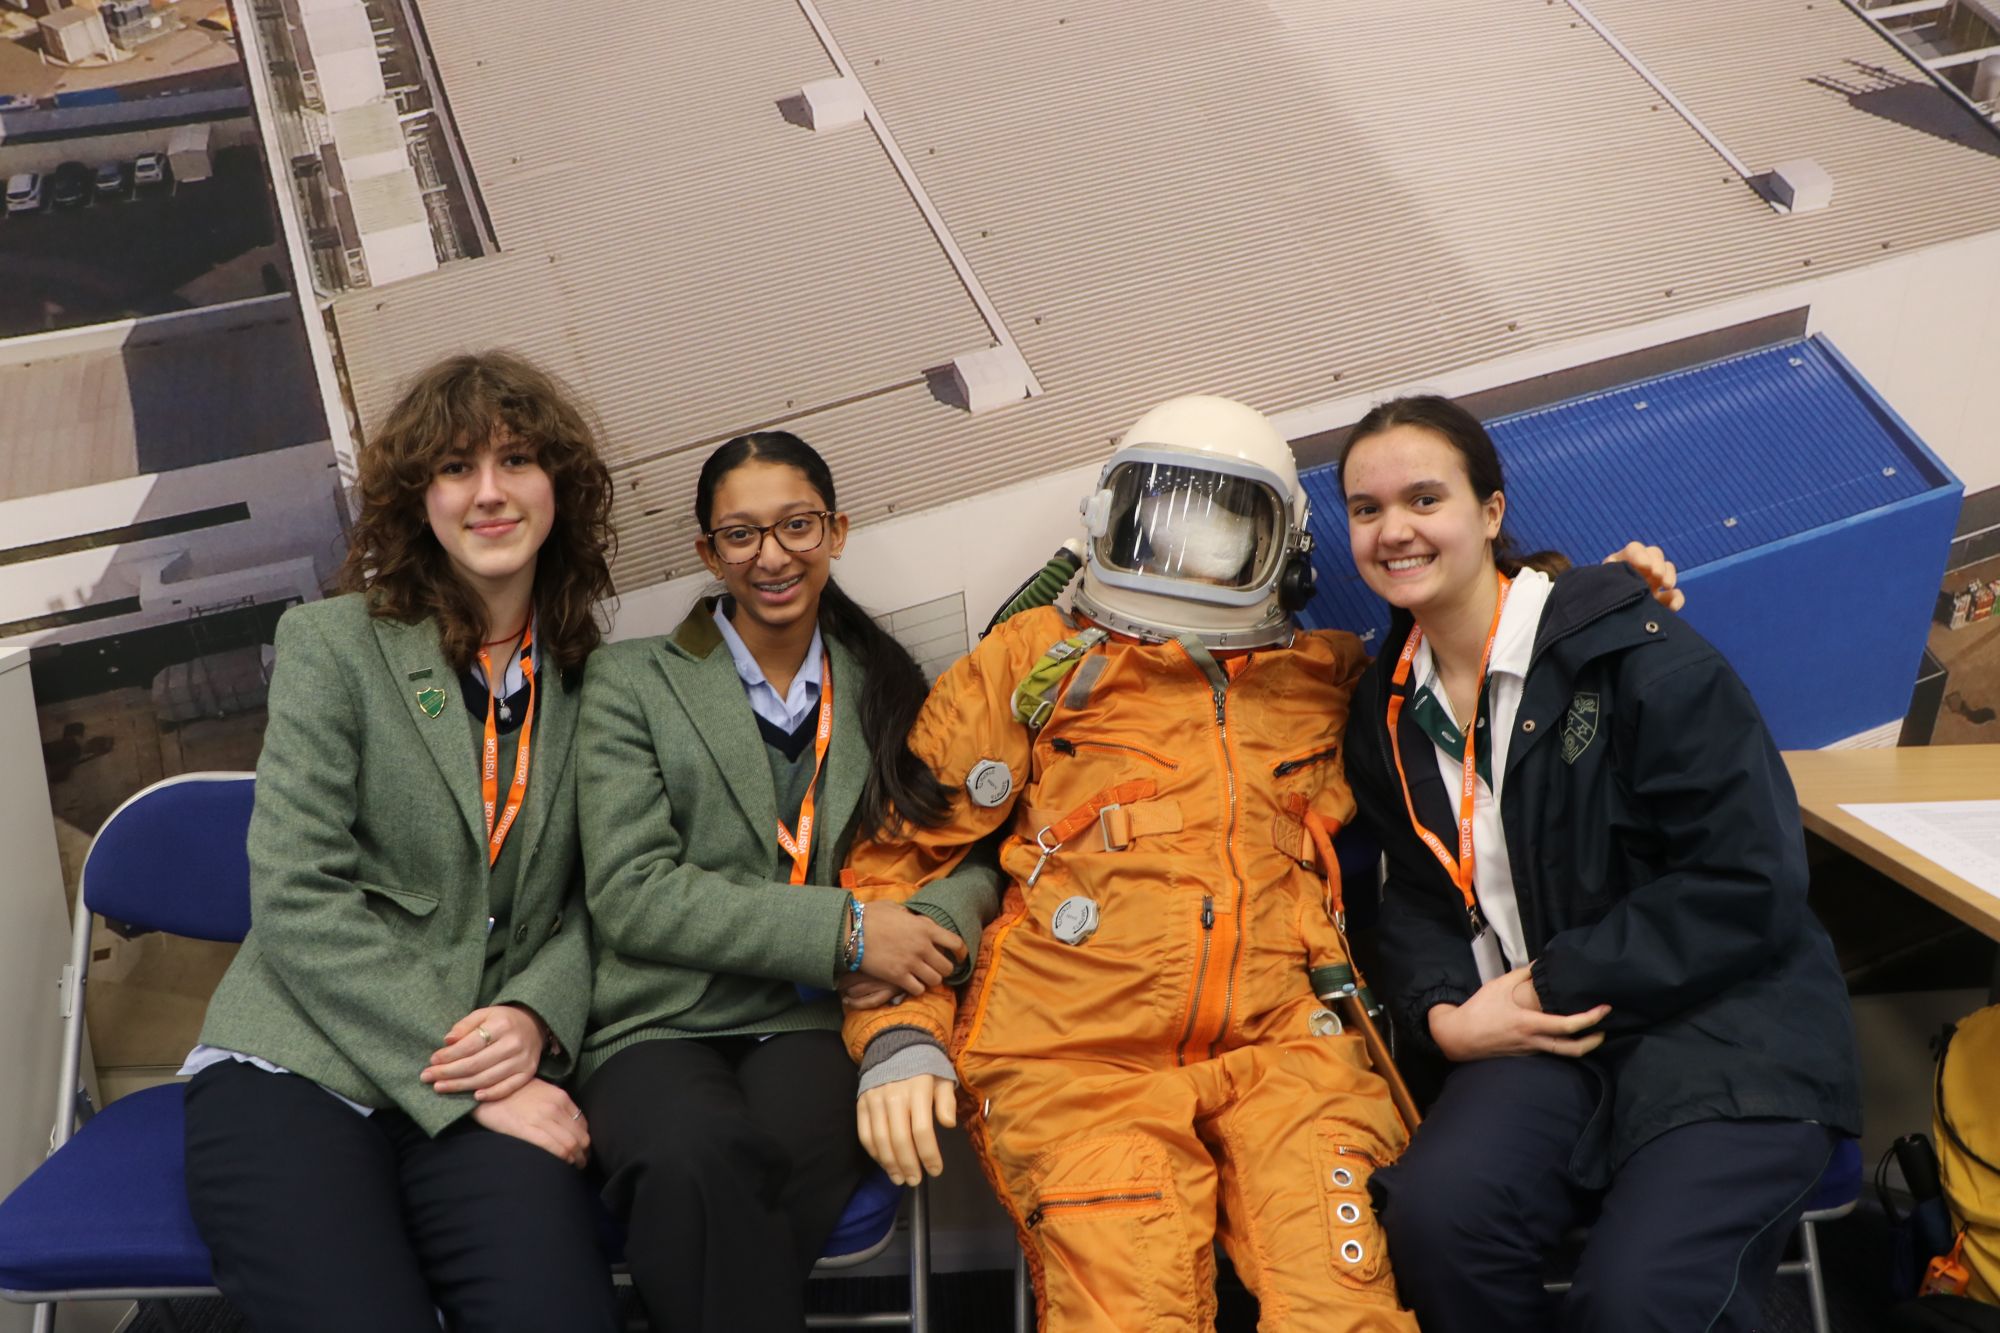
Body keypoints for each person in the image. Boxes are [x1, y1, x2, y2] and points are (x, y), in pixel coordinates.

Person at [838, 395, 1423, 1333]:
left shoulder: (1328, 675)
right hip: (1076, 1055)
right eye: (1160, 517)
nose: (1183, 550)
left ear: (1279, 548)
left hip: (1286, 1047)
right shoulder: (1034, 666)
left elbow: (1482, 676)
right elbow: (896, 865)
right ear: (1110, 518)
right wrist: (900, 1036)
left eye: (1219, 525)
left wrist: (1569, 600)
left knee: (1342, 1315)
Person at [1336, 395, 1863, 1333]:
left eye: (1424, 497)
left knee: (1635, 1300)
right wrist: (1445, 1019)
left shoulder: (1633, 650)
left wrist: (1550, 980)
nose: (1394, 530)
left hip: (1723, 1027)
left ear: (1491, 512)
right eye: (1366, 509)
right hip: (1546, 1041)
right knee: (1436, 1221)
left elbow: (1748, 880)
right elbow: (1418, 898)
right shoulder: (1384, 709)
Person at [181, 352, 621, 1332]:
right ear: (417, 500)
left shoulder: (607, 688)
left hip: (498, 1056)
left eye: (517, 460)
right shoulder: (333, 645)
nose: (490, 492)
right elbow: (298, 898)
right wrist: (468, 1081)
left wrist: (537, 1020)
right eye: (456, 468)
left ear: (562, 489)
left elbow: (616, 900)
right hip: (303, 1063)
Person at [573, 430, 1000, 1331]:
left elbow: (970, 854)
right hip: (661, 1014)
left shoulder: (890, 684)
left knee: (756, 1168)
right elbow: (633, 891)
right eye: (741, 535)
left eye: (797, 524)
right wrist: (849, 931)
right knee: (693, 1159)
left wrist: (928, 929)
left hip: (812, 1021)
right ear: (708, 552)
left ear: (836, 532)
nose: (773, 556)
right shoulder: (629, 683)